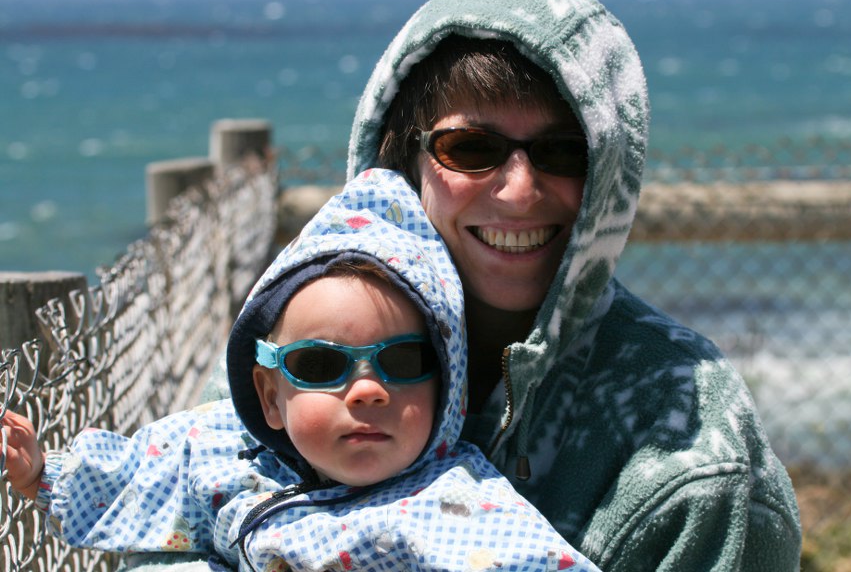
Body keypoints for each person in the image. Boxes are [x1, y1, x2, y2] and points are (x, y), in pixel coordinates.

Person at [344, 0, 802, 570]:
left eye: (563, 152)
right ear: (400, 160)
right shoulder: (304, 343)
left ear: (610, 172)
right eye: (470, 147)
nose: (518, 191)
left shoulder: (697, 460)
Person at [2, 169, 601, 571]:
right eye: (320, 365)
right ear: (268, 396)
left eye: (402, 362)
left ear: (446, 388)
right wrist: (42, 474)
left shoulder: (456, 507)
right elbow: (138, 475)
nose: (367, 390)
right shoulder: (223, 453)